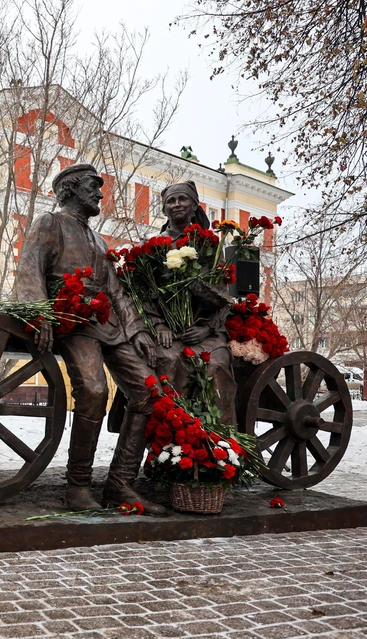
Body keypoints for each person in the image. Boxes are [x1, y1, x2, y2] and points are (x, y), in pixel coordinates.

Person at [15, 164, 167, 516]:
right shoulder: (50, 223)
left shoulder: (98, 239)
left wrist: (138, 329)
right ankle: (78, 485)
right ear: (70, 189)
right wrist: (40, 314)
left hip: (109, 323)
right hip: (70, 320)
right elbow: (29, 269)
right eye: (92, 186)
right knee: (94, 390)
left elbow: (115, 290)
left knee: (148, 391)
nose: (100, 193)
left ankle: (120, 483)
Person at [154, 181, 237, 426]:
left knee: (217, 364)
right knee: (169, 362)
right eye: (171, 201)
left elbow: (223, 296)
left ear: (194, 207)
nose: (177, 204)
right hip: (169, 329)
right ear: (164, 208)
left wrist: (207, 327)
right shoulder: (155, 246)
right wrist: (160, 326)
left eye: (183, 199)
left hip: (205, 330)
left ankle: (220, 442)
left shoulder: (210, 245)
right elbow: (145, 294)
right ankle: (170, 442)